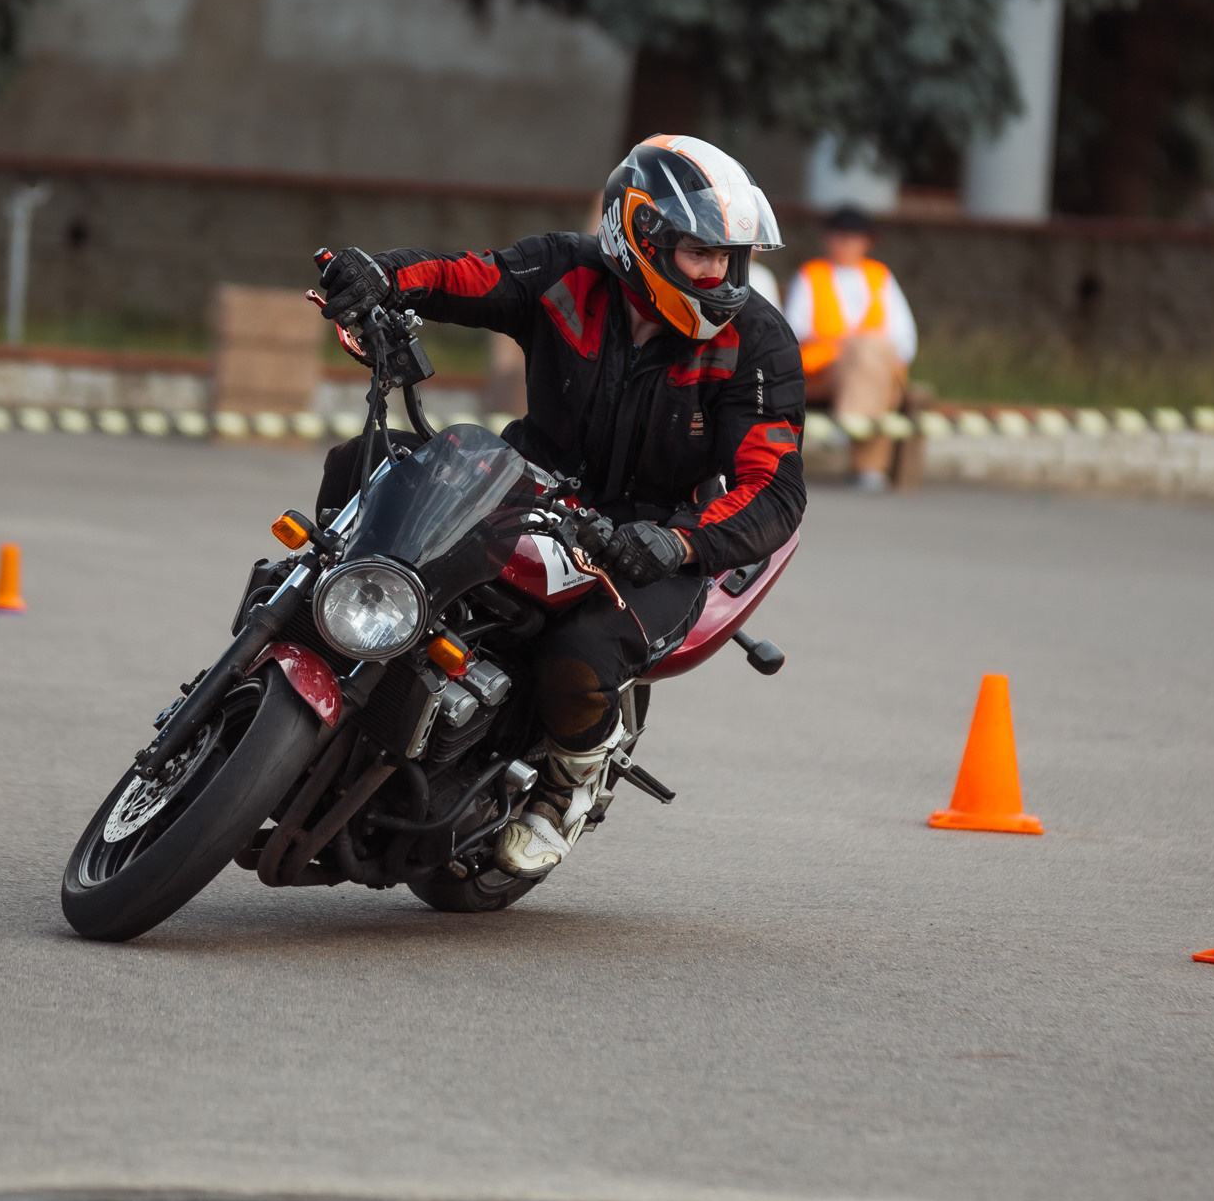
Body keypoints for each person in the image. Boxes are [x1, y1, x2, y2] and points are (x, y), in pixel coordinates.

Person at [314, 135, 806, 876]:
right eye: (700, 253)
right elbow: (462, 277)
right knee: (363, 465)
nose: (719, 275)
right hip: (524, 478)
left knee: (579, 661)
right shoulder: (566, 270)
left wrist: (678, 544)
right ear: (640, 235)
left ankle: (571, 781)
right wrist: (379, 273)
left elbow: (774, 486)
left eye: (730, 259)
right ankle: (312, 611)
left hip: (653, 535)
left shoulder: (756, 342)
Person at [783, 204, 918, 489]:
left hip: (876, 368)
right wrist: (851, 346)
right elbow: (793, 331)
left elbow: (905, 337)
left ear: (866, 241)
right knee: (868, 356)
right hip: (822, 371)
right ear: (827, 239)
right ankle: (869, 467)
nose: (844, 243)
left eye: (852, 237)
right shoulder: (811, 275)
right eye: (838, 236)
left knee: (871, 355)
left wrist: (864, 349)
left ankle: (848, 423)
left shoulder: (880, 276)